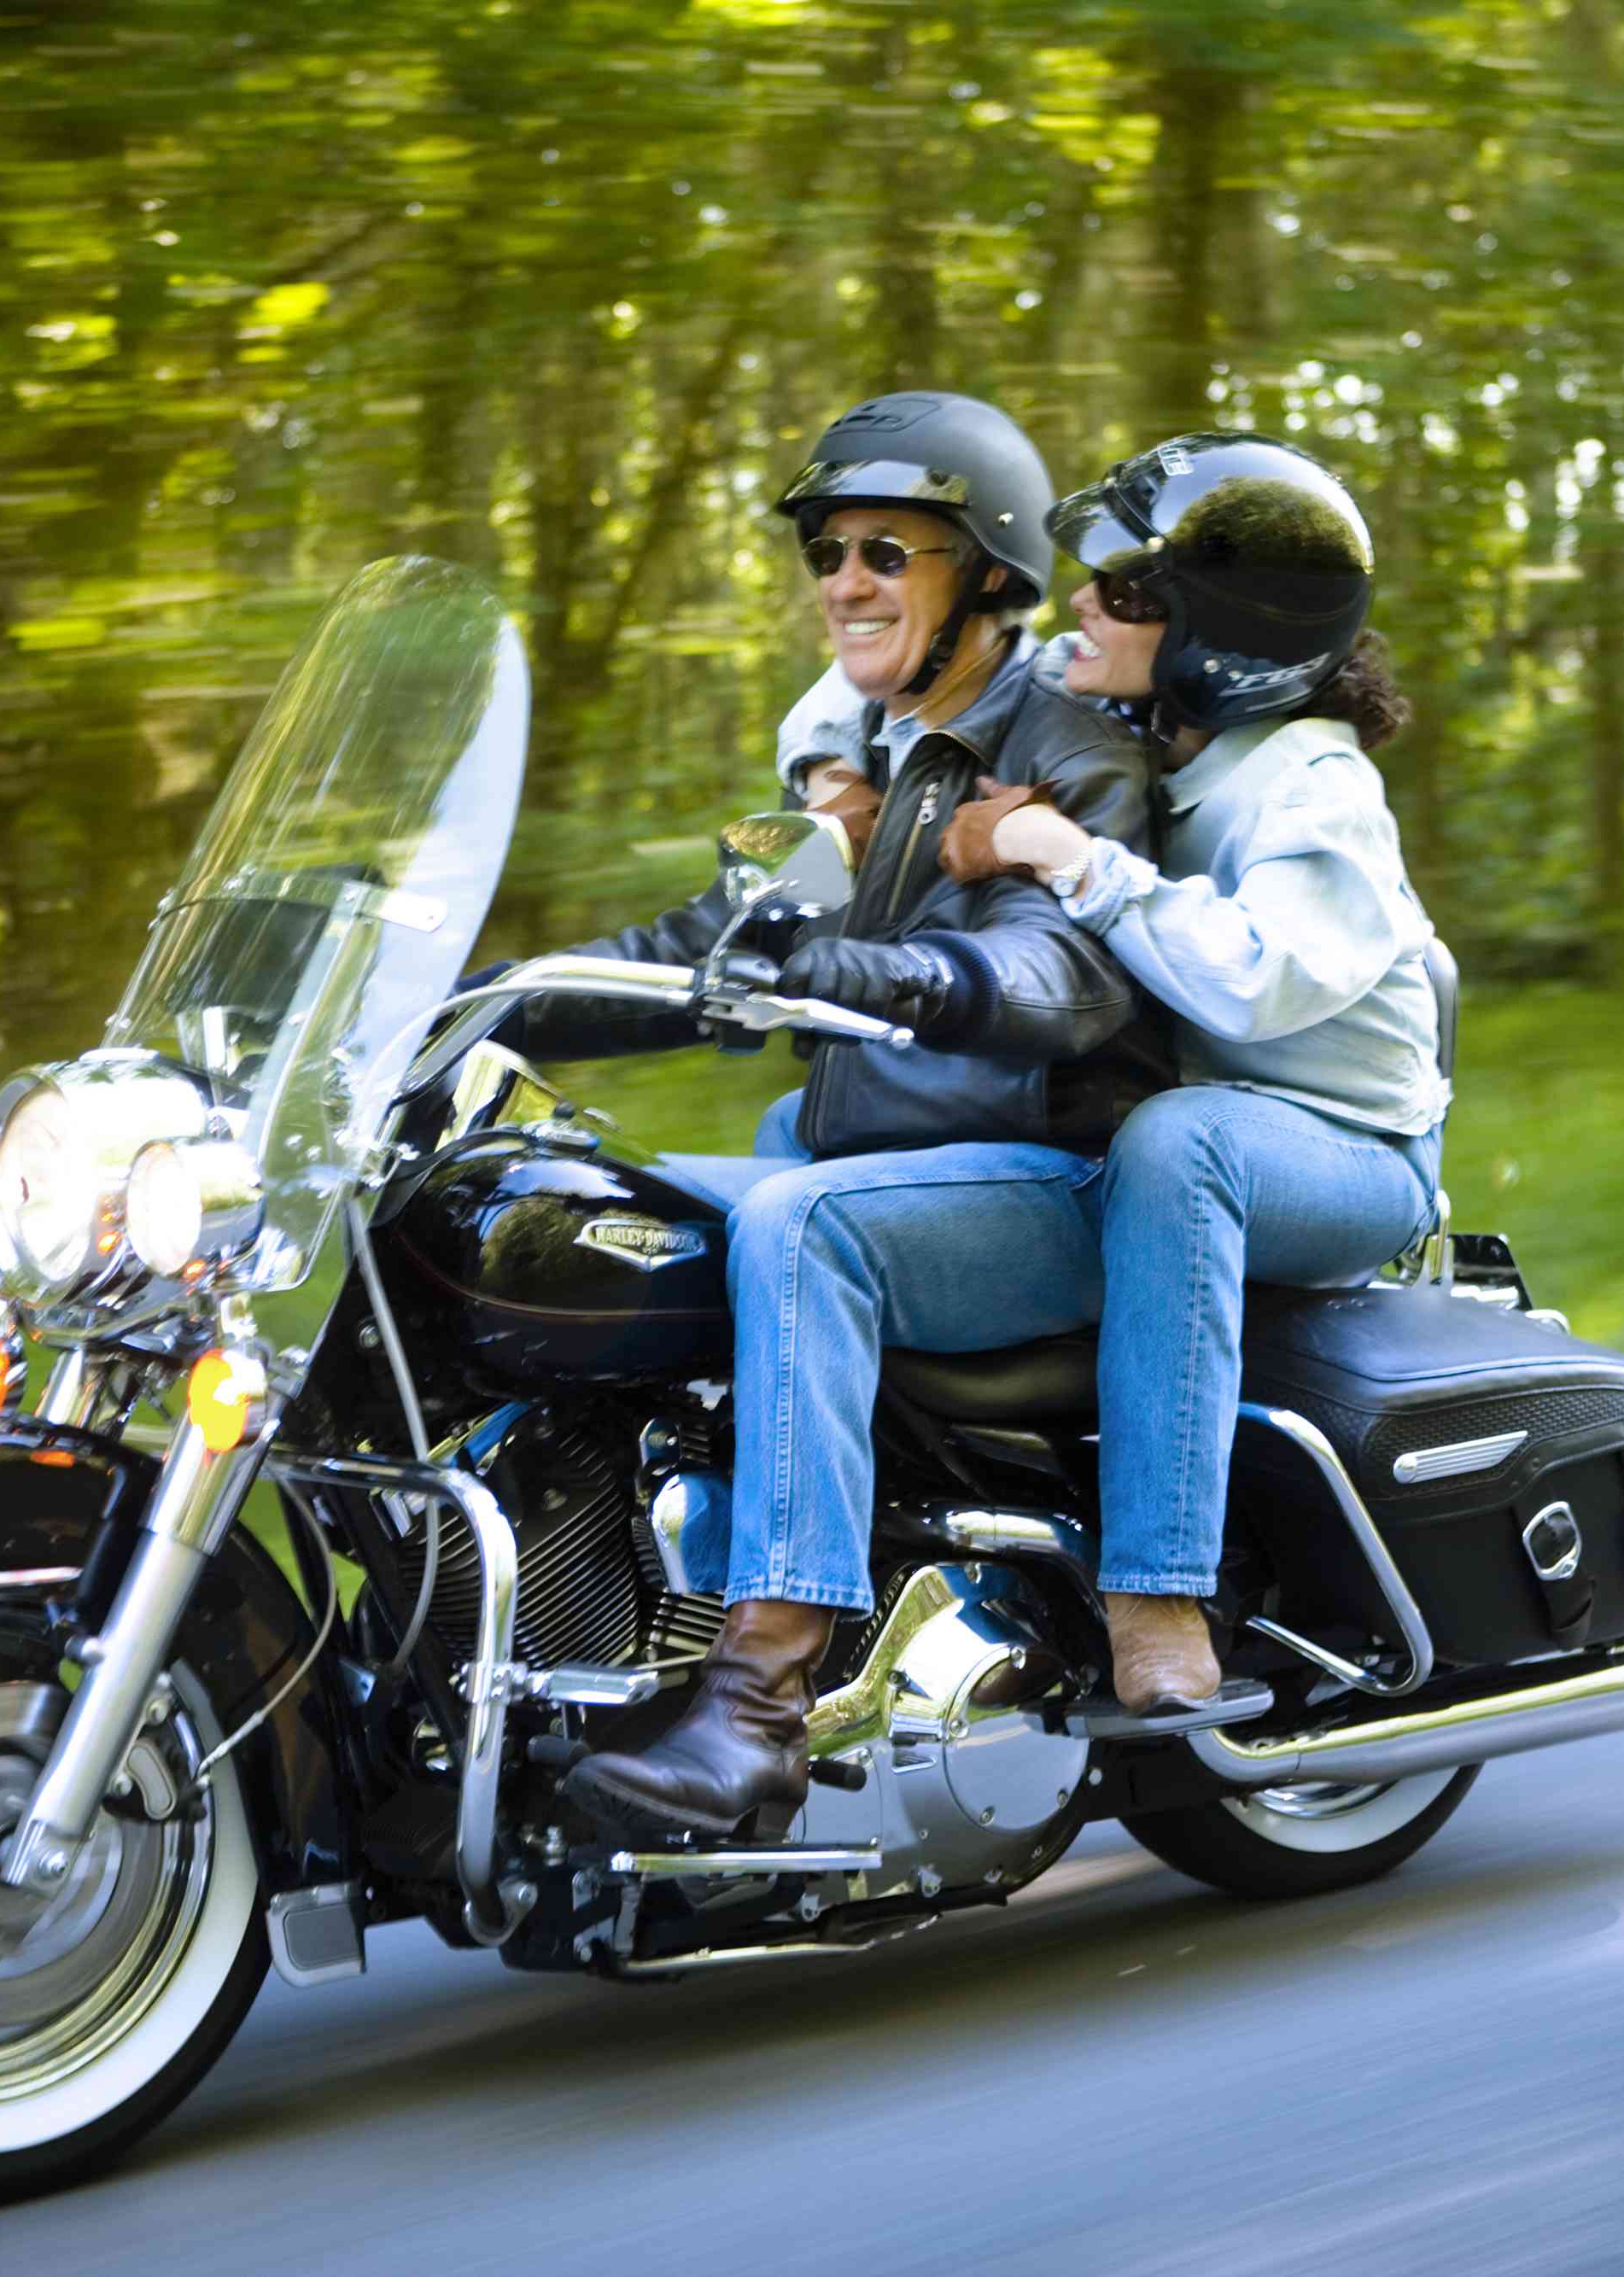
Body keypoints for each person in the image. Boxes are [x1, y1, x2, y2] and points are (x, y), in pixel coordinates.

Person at [509, 391, 1171, 1834]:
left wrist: (858, 963)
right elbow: (716, 937)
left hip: (1038, 1188)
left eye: (888, 551)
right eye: (829, 552)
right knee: (537, 1205)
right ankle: (545, 1644)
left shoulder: (1071, 762)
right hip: (878, 1167)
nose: (847, 582)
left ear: (988, 576)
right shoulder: (856, 772)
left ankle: (756, 1708)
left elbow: (1055, 980)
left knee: (800, 1227)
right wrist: (474, 998)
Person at [963, 432, 1446, 1713]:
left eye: (1124, 593)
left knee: (1183, 1143)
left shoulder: (1314, 784)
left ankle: (1158, 1592)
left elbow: (1253, 979)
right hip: (1215, 1131)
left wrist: (1074, 857)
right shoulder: (1145, 735)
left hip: (1349, 1154)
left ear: (1213, 640)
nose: (1082, 603)